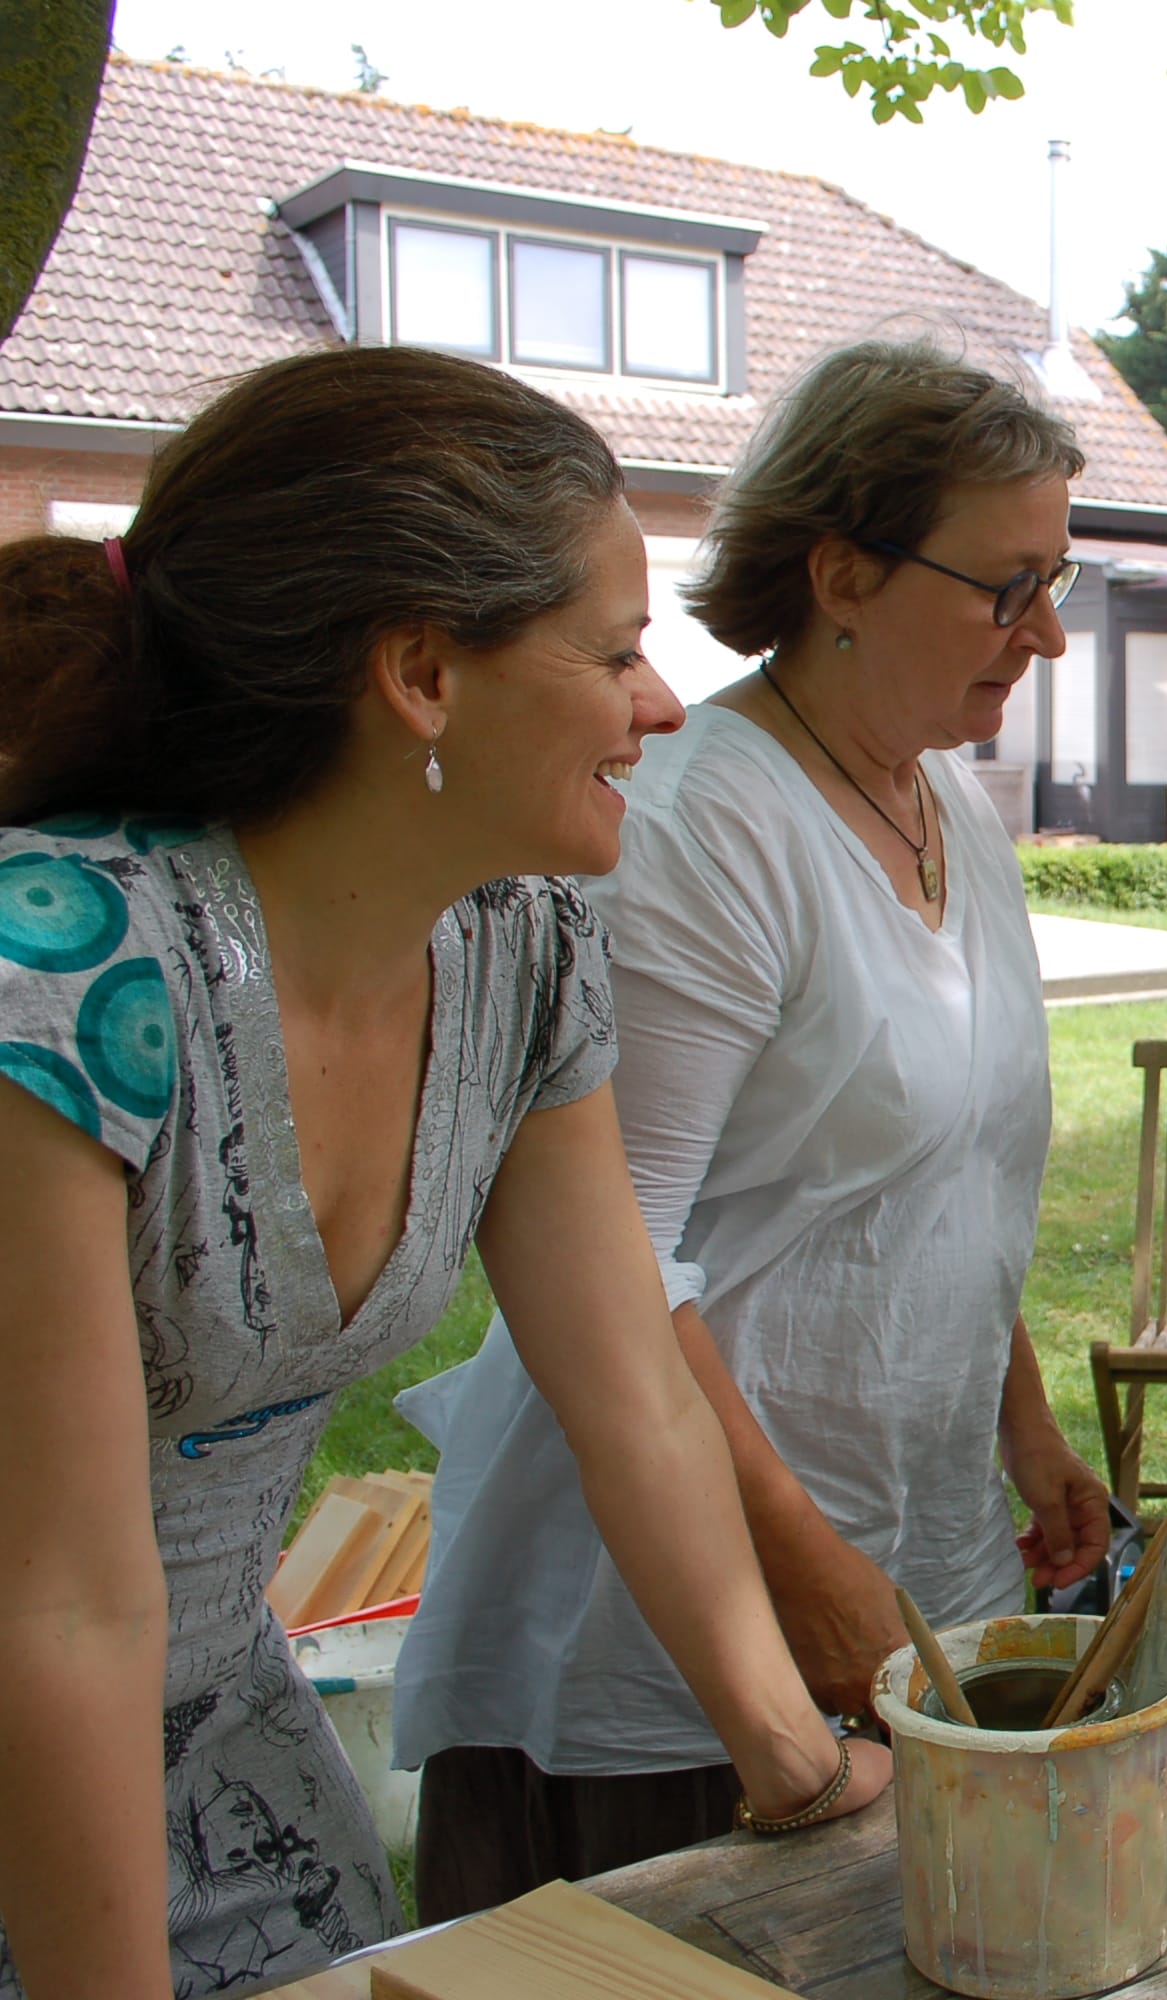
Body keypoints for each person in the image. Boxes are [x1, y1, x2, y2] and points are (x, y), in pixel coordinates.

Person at [0, 347, 887, 2000]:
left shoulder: (517, 946)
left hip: (222, 1749)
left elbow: (635, 1398)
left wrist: (797, 1764)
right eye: (614, 651)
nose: (661, 705)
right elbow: (57, 1608)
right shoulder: (56, 974)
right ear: (421, 673)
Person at [393, 342, 1111, 1918]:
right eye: (1007, 588)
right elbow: (618, 1265)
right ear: (843, 571)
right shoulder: (700, 827)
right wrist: (802, 1569)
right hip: (671, 1629)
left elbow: (942, 1182)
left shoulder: (947, 810)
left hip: (910, 1567)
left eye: (1055, 582)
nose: (1048, 634)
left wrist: (1027, 1429)